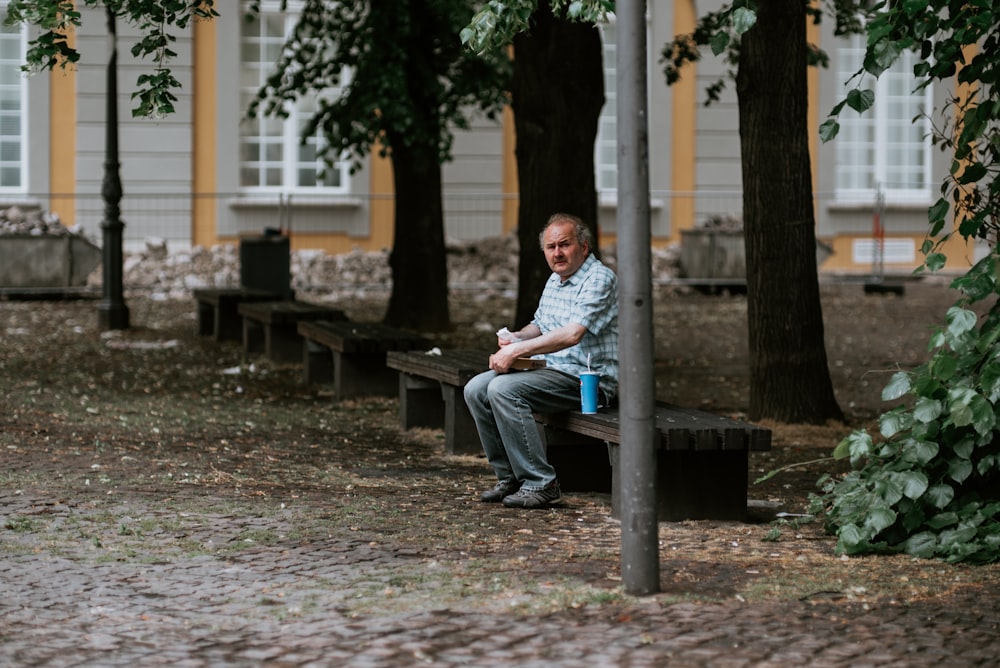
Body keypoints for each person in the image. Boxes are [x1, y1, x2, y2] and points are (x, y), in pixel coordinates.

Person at [463, 213, 619, 509]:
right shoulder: (556, 279)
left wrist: (518, 352)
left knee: (504, 390)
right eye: (551, 247)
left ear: (584, 247)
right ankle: (510, 477)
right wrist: (516, 337)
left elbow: (572, 334)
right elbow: (541, 325)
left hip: (586, 380)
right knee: (475, 389)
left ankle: (541, 482)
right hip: (552, 371)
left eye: (565, 245)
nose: (557, 253)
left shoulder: (599, 278)